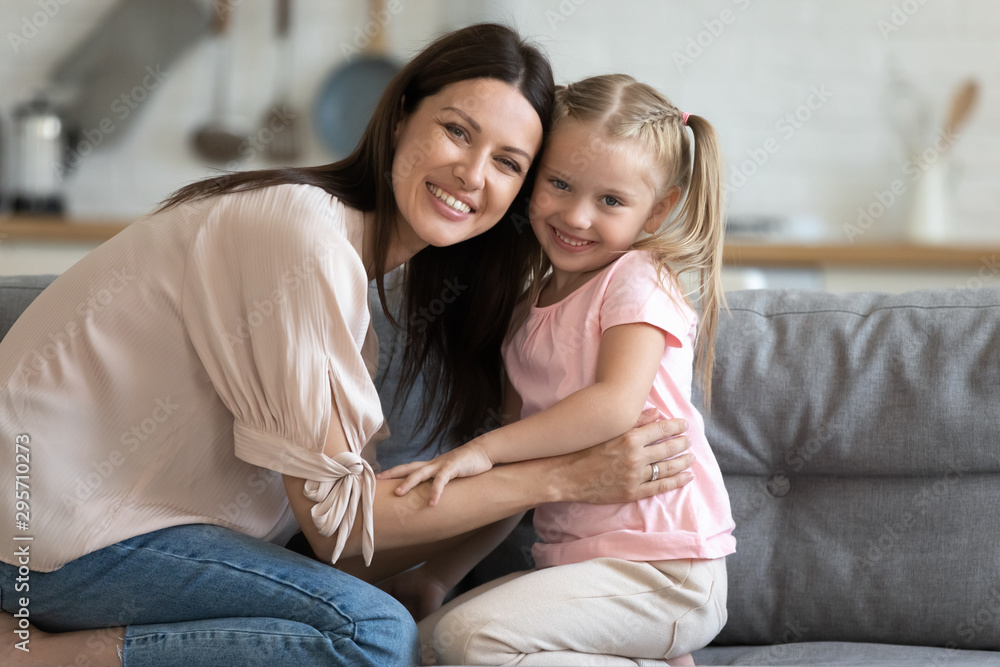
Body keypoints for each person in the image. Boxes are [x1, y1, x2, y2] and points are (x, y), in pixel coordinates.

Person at [0, 26, 696, 667]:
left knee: (380, 613)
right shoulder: (303, 238)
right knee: (371, 634)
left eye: (508, 163)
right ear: (398, 119)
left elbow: (354, 539)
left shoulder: (346, 274)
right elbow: (342, 528)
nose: (473, 174)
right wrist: (565, 476)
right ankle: (35, 654)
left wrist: (430, 574)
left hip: (106, 529)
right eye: (457, 131)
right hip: (45, 532)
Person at [381, 74, 736, 666]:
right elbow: (519, 486)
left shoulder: (638, 279)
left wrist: (484, 450)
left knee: (469, 641)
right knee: (422, 648)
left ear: (659, 211)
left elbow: (613, 405)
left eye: (611, 200)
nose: (575, 216)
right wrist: (438, 576)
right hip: (582, 573)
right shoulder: (525, 314)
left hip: (665, 572)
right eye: (560, 184)